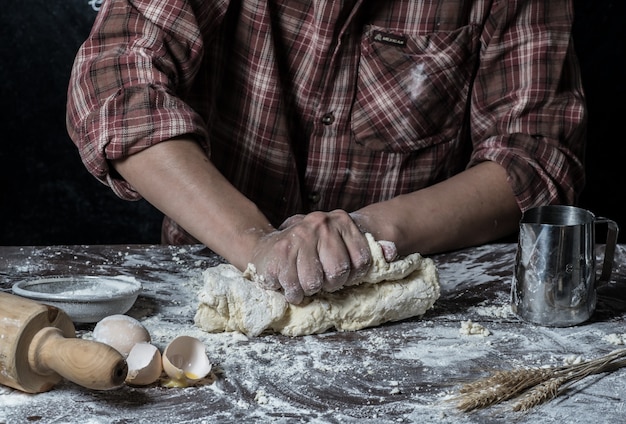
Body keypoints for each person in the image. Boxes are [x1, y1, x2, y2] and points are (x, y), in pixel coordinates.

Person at [67, 0, 586, 304]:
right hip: (215, 277)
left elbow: (536, 155)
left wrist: (363, 237)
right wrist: (258, 247)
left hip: (411, 294)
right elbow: (114, 86)